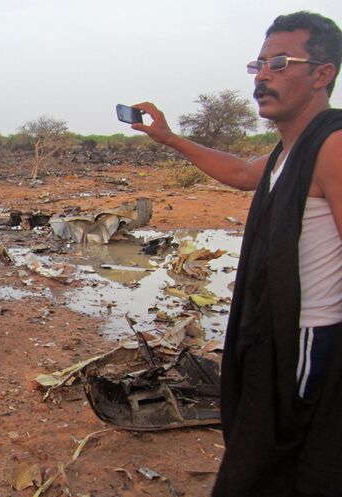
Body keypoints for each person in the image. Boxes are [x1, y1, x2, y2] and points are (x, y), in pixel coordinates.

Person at [131, 11, 342, 497]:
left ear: (322, 74)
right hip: (272, 335)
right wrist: (169, 138)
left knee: (285, 460)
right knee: (261, 454)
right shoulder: (290, 149)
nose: (263, 76)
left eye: (280, 63)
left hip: (307, 340)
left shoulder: (332, 145)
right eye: (259, 64)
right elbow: (241, 173)